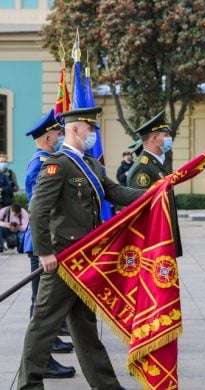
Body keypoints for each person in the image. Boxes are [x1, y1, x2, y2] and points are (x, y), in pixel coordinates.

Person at [18, 107, 144, 389]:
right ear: (74, 129)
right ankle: (28, 385)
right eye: (90, 129)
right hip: (63, 258)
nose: (93, 134)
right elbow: (38, 210)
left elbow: (113, 192)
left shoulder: (90, 164)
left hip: (87, 258)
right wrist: (45, 252)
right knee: (44, 325)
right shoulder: (57, 164)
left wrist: (153, 192)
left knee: (85, 327)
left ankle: (106, 385)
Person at [22, 108, 76, 379]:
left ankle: (48, 347)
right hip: (40, 240)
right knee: (41, 303)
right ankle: (42, 359)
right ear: (46, 137)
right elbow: (39, 207)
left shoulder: (44, 159)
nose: (59, 135)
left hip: (43, 238)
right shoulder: (42, 162)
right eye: (56, 132)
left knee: (44, 301)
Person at [127, 110, 182, 257]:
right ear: (155, 139)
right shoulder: (143, 167)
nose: (170, 138)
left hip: (162, 237)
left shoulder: (155, 164)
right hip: (153, 241)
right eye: (166, 135)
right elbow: (142, 209)